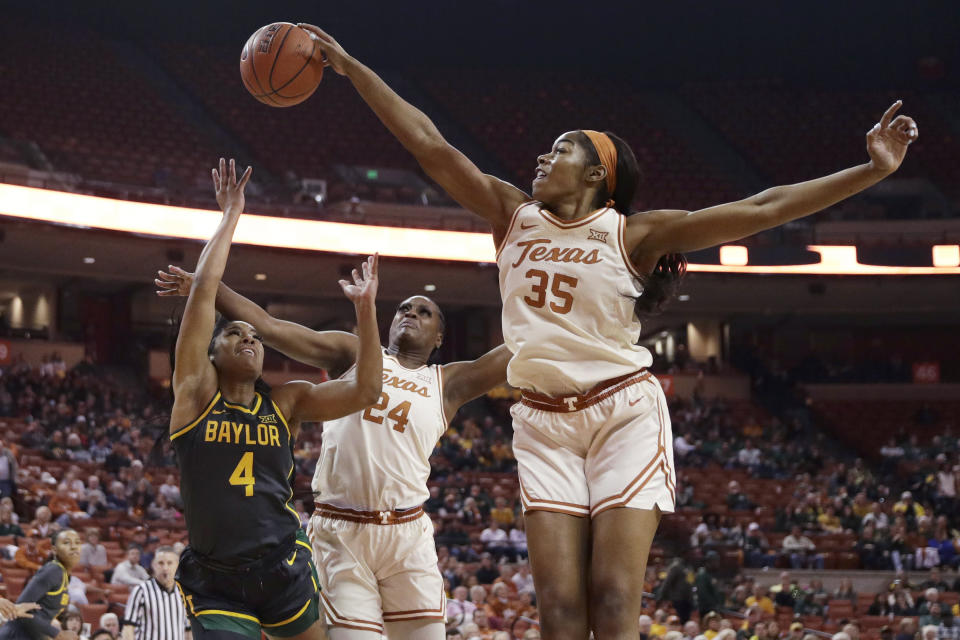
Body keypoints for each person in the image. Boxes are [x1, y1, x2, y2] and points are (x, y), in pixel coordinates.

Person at [296, 21, 919, 640]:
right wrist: (353, 69)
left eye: (561, 149)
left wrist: (869, 170)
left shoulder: (634, 234)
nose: (544, 156)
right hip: (542, 422)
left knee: (616, 597)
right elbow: (429, 145)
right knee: (561, 614)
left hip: (621, 411)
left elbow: (764, 208)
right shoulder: (512, 215)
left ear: (598, 174)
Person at [157, 256, 509, 640]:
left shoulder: (449, 381)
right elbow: (270, 327)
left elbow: (517, 348)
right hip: (341, 528)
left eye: (425, 312)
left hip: (407, 531)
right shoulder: (355, 352)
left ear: (440, 336)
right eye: (404, 309)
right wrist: (207, 287)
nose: (411, 314)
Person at [167, 158, 383, 640]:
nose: (249, 338)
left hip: (284, 566)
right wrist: (230, 217)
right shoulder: (195, 394)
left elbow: (367, 390)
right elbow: (204, 291)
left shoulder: (285, 404)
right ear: (212, 353)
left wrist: (366, 313)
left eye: (256, 336)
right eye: (235, 334)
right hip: (216, 580)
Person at [0, 528, 82, 640]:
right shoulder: (53, 570)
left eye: (77, 542)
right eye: (67, 543)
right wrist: (56, 634)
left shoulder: (64, 574)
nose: (73, 547)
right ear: (54, 550)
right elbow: (21, 610)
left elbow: (42, 616)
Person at [122, 546, 188, 640]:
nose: (165, 568)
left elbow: (188, 630)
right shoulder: (141, 591)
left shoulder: (183, 592)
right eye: (161, 563)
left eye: (170, 563)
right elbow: (128, 628)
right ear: (153, 565)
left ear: (177, 565)